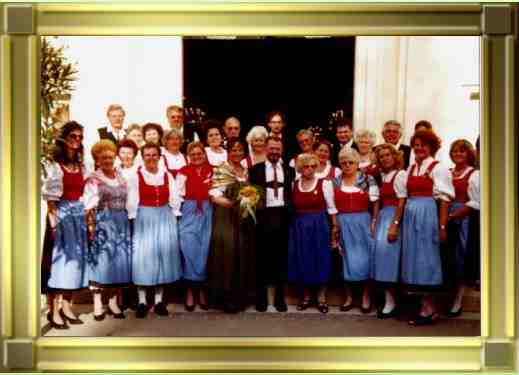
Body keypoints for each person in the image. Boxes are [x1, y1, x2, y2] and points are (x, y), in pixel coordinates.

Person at [401, 130, 454, 326]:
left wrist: (441, 226)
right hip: (411, 215)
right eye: (415, 144)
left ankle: (429, 308)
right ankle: (425, 306)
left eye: (423, 144)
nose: (418, 148)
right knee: (415, 259)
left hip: (427, 215)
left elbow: (445, 199)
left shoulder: (437, 168)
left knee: (427, 260)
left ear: (431, 147)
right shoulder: (411, 167)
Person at [126, 143, 184, 318]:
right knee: (143, 258)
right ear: (142, 157)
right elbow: (131, 201)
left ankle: (159, 301)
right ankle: (142, 301)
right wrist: (135, 219)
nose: (151, 158)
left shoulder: (166, 175)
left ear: (159, 156)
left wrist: (174, 215)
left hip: (164, 217)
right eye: (147, 155)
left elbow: (174, 198)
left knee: (162, 256)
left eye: (154, 155)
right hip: (145, 217)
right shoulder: (136, 176)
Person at [41, 121, 89, 329]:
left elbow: (86, 193)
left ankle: (67, 307)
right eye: (73, 137)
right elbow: (51, 199)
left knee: (75, 263)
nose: (76, 141)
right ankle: (53, 311)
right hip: (61, 216)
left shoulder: (81, 165)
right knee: (58, 262)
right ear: (64, 139)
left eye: (79, 137)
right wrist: (53, 224)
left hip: (77, 216)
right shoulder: (55, 165)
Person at [207, 138, 258, 313]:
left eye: (240, 150)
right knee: (227, 254)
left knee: (241, 254)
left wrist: (249, 201)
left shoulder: (245, 170)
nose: (237, 153)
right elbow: (214, 197)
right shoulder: (222, 170)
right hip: (225, 217)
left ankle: (240, 297)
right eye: (234, 150)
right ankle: (225, 297)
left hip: (242, 217)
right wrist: (234, 203)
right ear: (228, 151)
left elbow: (250, 193)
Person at [83, 140, 132, 320]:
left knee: (118, 263)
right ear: (97, 159)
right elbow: (88, 206)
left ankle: (112, 303)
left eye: (110, 157)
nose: (108, 160)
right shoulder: (93, 179)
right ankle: (97, 305)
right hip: (103, 223)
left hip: (121, 223)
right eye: (103, 158)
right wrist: (90, 227)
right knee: (102, 262)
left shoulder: (120, 176)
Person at [249, 136, 295, 312]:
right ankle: (261, 298)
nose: (274, 152)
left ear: (281, 150)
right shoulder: (255, 170)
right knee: (262, 259)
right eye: (272, 148)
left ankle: (279, 298)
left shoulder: (289, 170)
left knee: (281, 259)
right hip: (263, 217)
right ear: (266, 149)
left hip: (283, 216)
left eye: (277, 149)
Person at [288, 153, 338, 314]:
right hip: (300, 226)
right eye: (306, 166)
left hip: (319, 225)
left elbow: (331, 207)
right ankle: (306, 297)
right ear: (300, 168)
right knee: (303, 259)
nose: (309, 169)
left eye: (313, 166)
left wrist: (335, 228)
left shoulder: (324, 183)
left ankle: (321, 298)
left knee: (321, 258)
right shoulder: (294, 184)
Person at [334, 148, 379, 314]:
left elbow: (375, 202)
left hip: (363, 223)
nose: (347, 165)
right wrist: (335, 226)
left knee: (365, 260)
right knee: (345, 259)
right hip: (343, 223)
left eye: (350, 162)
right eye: (344, 162)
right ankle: (349, 297)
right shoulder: (335, 181)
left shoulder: (368, 179)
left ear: (357, 163)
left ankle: (366, 297)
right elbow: (332, 207)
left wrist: (374, 221)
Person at [177, 142, 214, 312]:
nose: (197, 157)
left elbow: (218, 190)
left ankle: (202, 292)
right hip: (189, 211)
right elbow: (177, 194)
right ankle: (190, 291)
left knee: (204, 250)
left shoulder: (212, 170)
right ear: (188, 157)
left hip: (207, 210)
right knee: (189, 248)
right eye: (193, 154)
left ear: (204, 154)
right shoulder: (183, 172)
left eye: (199, 154)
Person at [372, 144, 407, 319]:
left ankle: (393, 302)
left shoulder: (400, 175)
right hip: (383, 218)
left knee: (391, 259)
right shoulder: (384, 176)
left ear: (395, 157)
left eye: (388, 155)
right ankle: (389, 300)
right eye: (382, 156)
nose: (385, 158)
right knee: (385, 260)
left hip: (393, 218)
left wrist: (394, 224)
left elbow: (402, 202)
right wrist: (375, 221)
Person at [445, 139, 479, 317]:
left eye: (462, 151)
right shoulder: (448, 172)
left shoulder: (474, 174)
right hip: (446, 217)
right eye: (455, 151)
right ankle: (447, 297)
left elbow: (475, 202)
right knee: (447, 257)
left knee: (460, 258)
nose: (458, 154)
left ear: (469, 154)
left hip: (463, 219)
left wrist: (453, 216)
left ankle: (457, 301)